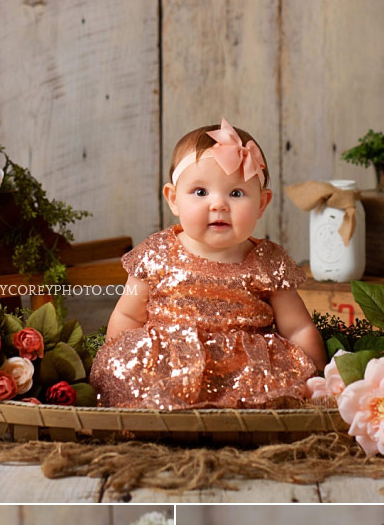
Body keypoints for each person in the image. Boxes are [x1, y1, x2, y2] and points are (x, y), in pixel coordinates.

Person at [90, 118, 326, 409]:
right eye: (200, 192)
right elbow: (127, 316)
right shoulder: (157, 253)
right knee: (144, 387)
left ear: (262, 204)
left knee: (271, 393)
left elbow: (297, 328)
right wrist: (116, 366)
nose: (218, 205)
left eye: (236, 193)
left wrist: (318, 374)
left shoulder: (268, 262)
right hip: (167, 367)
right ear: (173, 199)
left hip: (246, 373)